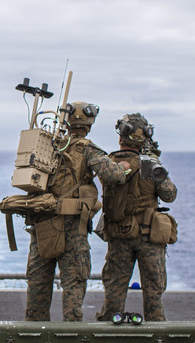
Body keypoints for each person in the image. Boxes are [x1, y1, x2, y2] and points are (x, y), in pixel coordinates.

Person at [24, 102, 129, 321]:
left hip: (42, 223)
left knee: (38, 282)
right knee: (74, 282)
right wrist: (124, 168)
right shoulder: (87, 148)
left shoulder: (48, 145)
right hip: (72, 226)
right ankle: (71, 335)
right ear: (89, 125)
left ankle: (34, 332)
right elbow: (112, 176)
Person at [96, 113, 178, 322]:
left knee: (114, 291)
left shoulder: (110, 163)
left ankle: (108, 332)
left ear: (121, 136)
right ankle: (157, 337)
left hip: (119, 235)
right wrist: (155, 161)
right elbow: (169, 195)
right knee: (153, 292)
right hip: (148, 236)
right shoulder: (150, 164)